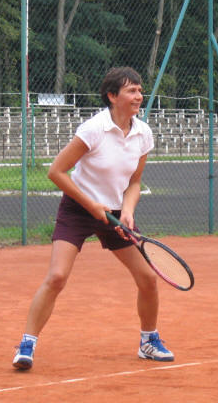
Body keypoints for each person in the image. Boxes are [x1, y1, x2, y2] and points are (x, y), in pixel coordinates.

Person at [12, 67, 173, 370]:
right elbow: (56, 172)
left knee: (148, 278)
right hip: (78, 209)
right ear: (112, 96)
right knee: (57, 277)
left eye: (140, 90)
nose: (138, 96)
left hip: (116, 215)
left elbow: (134, 182)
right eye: (131, 91)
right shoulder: (94, 129)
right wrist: (91, 205)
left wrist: (128, 210)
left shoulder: (143, 133)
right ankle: (27, 344)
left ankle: (149, 341)